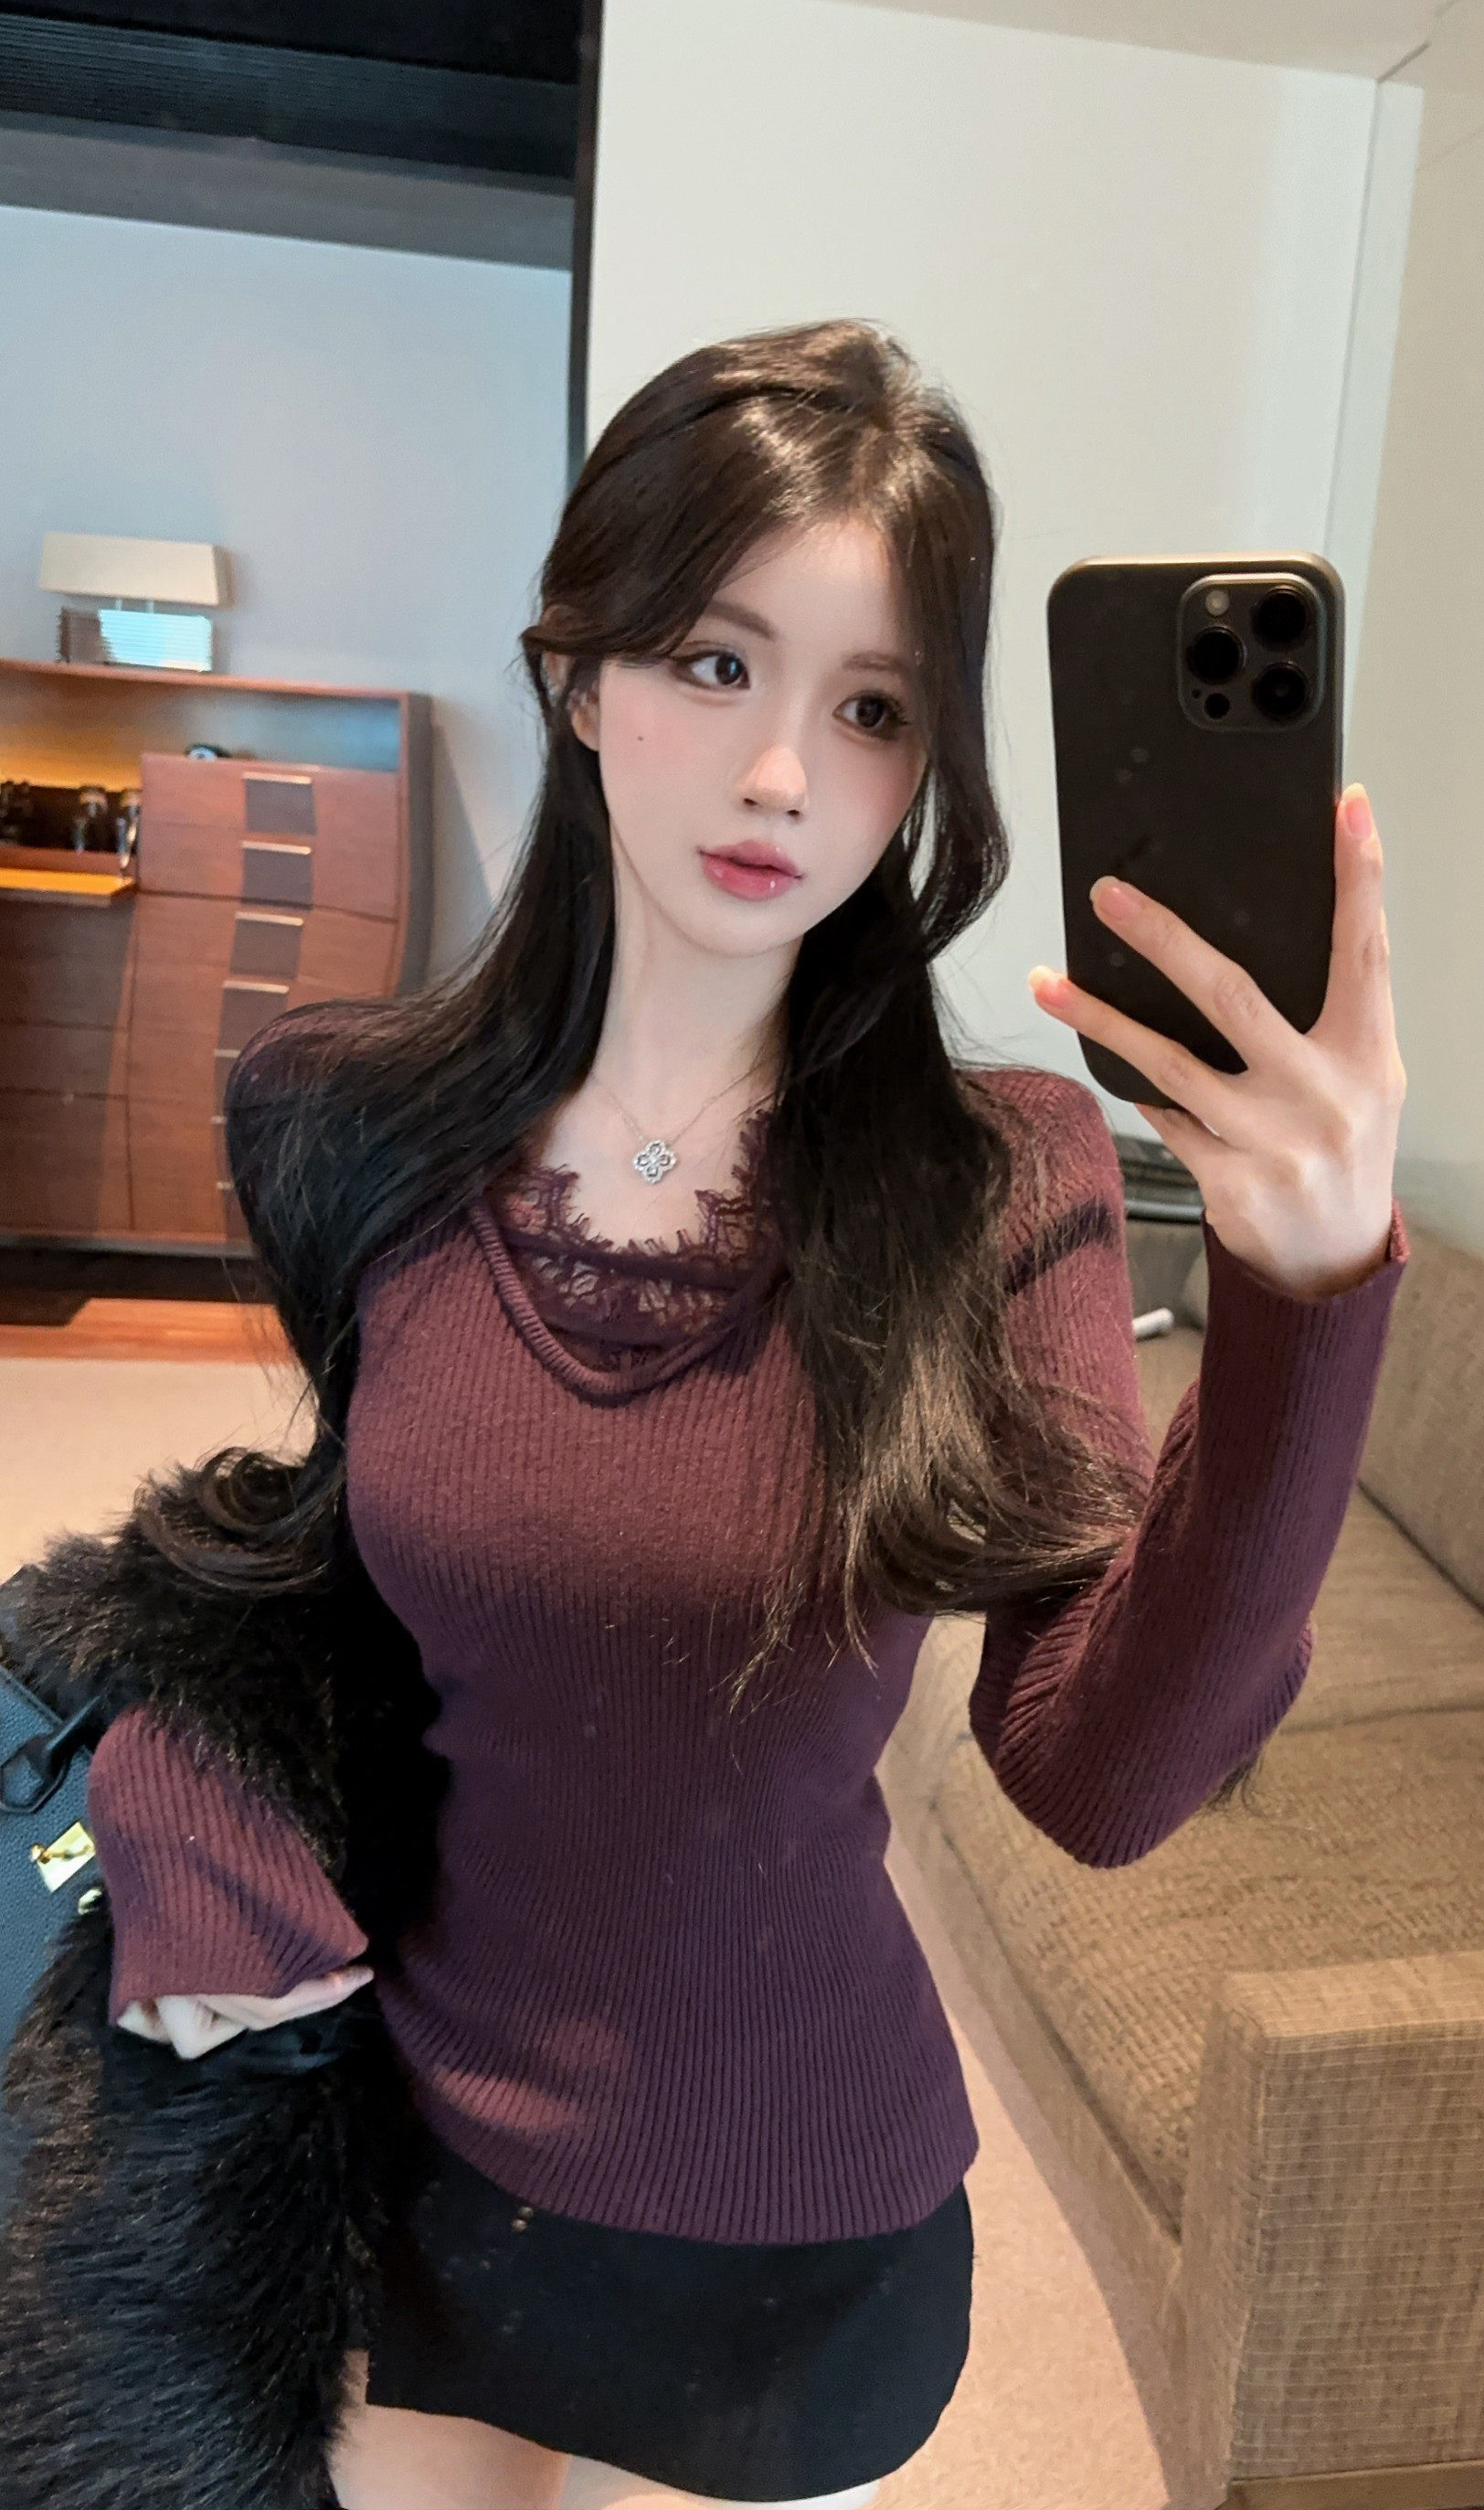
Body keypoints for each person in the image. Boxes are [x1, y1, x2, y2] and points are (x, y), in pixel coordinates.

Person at [50, 318, 1408, 2509]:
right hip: (398, 2171)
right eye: (713, 661)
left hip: (792, 2240)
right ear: (579, 673)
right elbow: (339, 1585)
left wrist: (1306, 1296)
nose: (783, 773)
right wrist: (178, 1796)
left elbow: (1103, 1776)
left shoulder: (1004, 1178)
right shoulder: (342, 1124)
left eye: (872, 708)